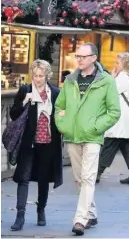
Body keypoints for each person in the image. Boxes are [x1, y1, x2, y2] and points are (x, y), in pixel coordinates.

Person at [55, 43, 120, 236]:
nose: (79, 59)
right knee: (78, 178)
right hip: (72, 135)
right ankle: (91, 213)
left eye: (83, 56)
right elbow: (59, 106)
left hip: (92, 136)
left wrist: (96, 127)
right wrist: (63, 124)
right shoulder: (69, 80)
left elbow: (114, 112)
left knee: (88, 177)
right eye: (78, 56)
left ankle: (80, 219)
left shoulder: (106, 81)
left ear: (94, 58)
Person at [9, 60, 63, 231]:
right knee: (23, 179)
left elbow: (61, 116)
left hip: (48, 142)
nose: (37, 79)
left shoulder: (55, 92)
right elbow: (14, 114)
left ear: (47, 75)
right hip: (28, 143)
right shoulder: (26, 90)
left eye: (41, 76)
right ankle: (20, 215)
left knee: (43, 179)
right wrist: (25, 101)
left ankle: (41, 210)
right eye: (35, 75)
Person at [97, 53, 129, 185]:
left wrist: (111, 77)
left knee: (109, 145)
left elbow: (106, 92)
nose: (115, 65)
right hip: (128, 120)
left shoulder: (121, 79)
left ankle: (97, 173)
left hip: (118, 120)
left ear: (124, 65)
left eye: (117, 63)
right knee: (128, 145)